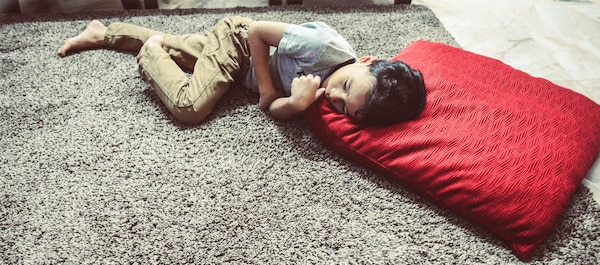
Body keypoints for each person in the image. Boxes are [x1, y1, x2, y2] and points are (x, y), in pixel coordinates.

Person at [58, 16, 426, 126]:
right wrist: (268, 92)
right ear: (365, 60)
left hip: (244, 65)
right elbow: (256, 31)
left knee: (183, 48)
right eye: (346, 86)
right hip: (239, 42)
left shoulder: (330, 93)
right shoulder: (325, 51)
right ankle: (150, 54)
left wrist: (295, 106)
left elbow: (275, 112)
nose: (335, 96)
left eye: (345, 107)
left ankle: (102, 32)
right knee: (191, 106)